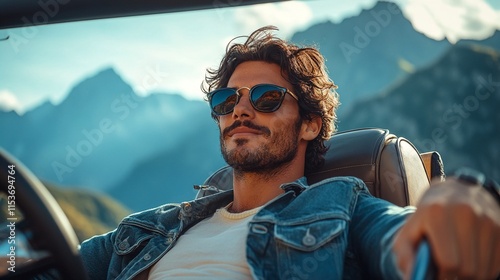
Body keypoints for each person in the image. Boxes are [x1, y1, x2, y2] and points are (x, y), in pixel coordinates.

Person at [79, 26, 500, 279]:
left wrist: (445, 213)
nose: (241, 108)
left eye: (266, 97)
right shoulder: (146, 229)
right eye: (227, 101)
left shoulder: (341, 206)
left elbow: (401, 239)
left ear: (310, 125)